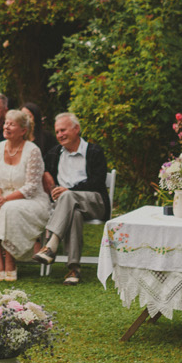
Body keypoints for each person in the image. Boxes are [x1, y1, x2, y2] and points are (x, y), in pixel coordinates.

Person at [33, 113, 111, 285]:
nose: (60, 135)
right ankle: (74, 268)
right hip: (69, 206)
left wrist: (69, 190)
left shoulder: (94, 151)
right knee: (74, 213)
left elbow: (97, 181)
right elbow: (42, 169)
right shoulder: (54, 154)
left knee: (68, 196)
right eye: (57, 131)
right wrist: (47, 176)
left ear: (76, 129)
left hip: (94, 202)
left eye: (63, 130)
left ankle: (51, 244)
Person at [0, 108, 51, 283]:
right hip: (2, 197)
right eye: (6, 123)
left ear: (23, 130)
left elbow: (31, 187)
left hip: (31, 200)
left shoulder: (33, 150)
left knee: (9, 210)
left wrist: (5, 200)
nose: (7, 126)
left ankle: (10, 263)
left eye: (12, 124)